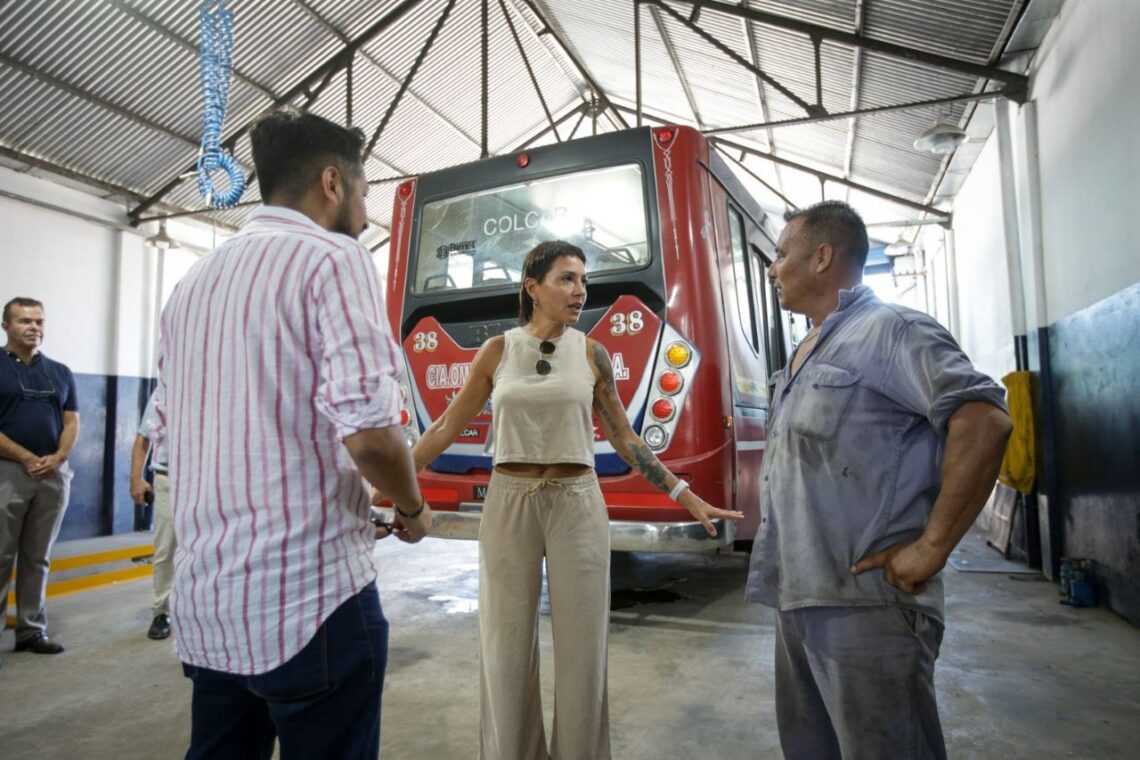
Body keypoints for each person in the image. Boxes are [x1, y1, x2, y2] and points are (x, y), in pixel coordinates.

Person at [153, 109, 432, 759]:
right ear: (332, 183)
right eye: (363, 194)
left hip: (210, 605)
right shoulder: (332, 257)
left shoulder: (191, 286)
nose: (363, 212)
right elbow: (367, 435)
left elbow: (168, 444)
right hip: (310, 603)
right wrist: (413, 509)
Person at [402, 240, 743, 760]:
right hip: (509, 502)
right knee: (505, 646)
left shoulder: (592, 353)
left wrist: (684, 493)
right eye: (566, 279)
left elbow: (626, 437)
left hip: (577, 503)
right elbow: (448, 425)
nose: (580, 291)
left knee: (583, 651)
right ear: (532, 287)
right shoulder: (498, 351)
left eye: (583, 280)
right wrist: (395, 479)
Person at [745, 201, 1013, 759]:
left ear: (821, 257)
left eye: (780, 254)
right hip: (797, 597)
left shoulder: (890, 330)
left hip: (869, 607)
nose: (772, 269)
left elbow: (984, 420)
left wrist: (933, 546)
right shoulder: (806, 350)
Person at [0, 297, 79, 658]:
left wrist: (59, 457)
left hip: (52, 475)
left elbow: (71, 420)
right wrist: (28, 457)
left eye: (39, 321)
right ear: (6, 326)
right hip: (8, 473)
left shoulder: (59, 372)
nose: (33, 327)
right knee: (1, 555)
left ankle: (31, 630)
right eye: (24, 321)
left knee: (38, 556)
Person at [129, 389, 174, 640]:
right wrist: (136, 478)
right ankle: (161, 612)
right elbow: (142, 438)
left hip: (206, 479)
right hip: (168, 478)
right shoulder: (162, 392)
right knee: (166, 548)